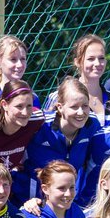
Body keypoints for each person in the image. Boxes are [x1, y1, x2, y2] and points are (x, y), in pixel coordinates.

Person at [21, 77, 101, 206]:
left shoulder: (92, 125)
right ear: (60, 107)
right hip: (31, 202)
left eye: (85, 106)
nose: (81, 112)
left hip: (68, 202)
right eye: (74, 107)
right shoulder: (40, 125)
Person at [44, 34, 110, 124]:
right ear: (77, 62)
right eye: (91, 59)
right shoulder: (59, 97)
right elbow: (46, 130)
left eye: (101, 58)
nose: (97, 63)